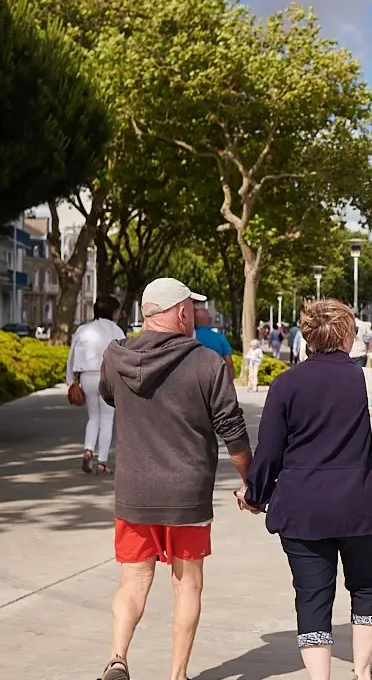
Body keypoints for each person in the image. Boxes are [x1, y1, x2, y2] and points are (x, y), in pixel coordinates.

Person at [238, 299, 372, 680]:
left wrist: (254, 495)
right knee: (367, 588)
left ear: (307, 337)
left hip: (303, 509)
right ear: (348, 337)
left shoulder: (286, 384)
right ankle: (362, 671)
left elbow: (269, 452)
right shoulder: (369, 382)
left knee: (312, 596)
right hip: (365, 507)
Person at [96, 278, 252, 680]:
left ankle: (117, 658)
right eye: (192, 309)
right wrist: (250, 480)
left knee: (132, 580)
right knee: (187, 586)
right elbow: (232, 430)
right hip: (187, 494)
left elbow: (110, 396)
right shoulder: (206, 363)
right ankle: (177, 675)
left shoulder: (116, 356)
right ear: (181, 312)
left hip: (134, 492)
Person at [67, 295, 126, 475]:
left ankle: (88, 450)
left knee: (93, 417)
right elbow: (125, 357)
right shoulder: (117, 331)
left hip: (87, 376)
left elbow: (71, 357)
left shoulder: (83, 330)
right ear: (112, 312)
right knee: (107, 419)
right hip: (108, 377)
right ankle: (102, 463)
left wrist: (71, 381)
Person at [193, 307, 233, 371]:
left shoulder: (190, 337)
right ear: (209, 320)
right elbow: (229, 363)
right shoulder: (220, 337)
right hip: (216, 374)